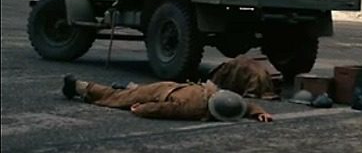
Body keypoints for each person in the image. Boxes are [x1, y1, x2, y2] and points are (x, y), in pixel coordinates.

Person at [62, 74, 272, 122]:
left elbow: (241, 105)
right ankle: (79, 87)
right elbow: (164, 110)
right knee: (115, 98)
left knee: (130, 92)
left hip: (171, 86)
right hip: (161, 94)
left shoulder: (216, 93)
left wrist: (259, 112)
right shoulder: (193, 109)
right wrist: (141, 109)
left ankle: (131, 88)